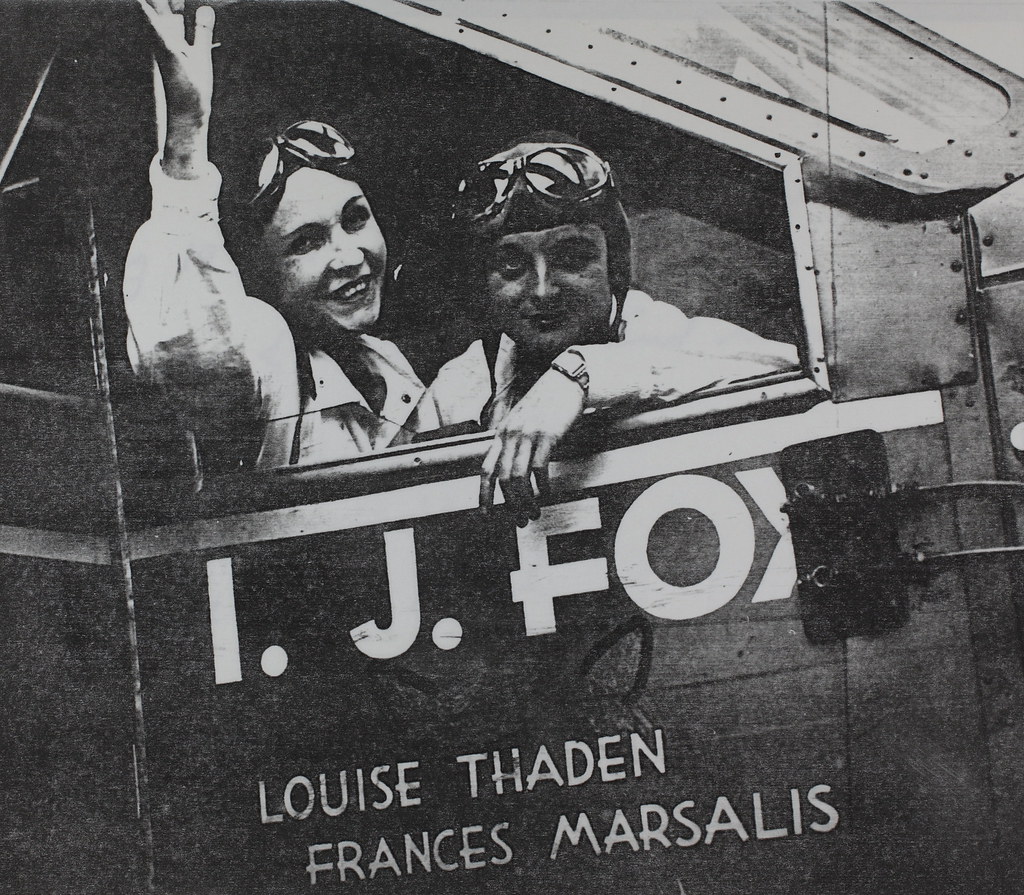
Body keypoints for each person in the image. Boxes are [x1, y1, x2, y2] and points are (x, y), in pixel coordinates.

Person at [123, 0, 438, 473]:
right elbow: (192, 350)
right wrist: (186, 140)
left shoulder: (390, 364)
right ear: (259, 273)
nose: (350, 256)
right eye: (306, 243)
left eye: (355, 220)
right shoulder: (267, 362)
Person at [427, 136, 800, 525]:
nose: (542, 290)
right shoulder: (459, 388)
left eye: (571, 258)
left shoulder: (674, 339)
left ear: (614, 267)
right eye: (510, 266)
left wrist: (583, 373)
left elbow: (808, 381)